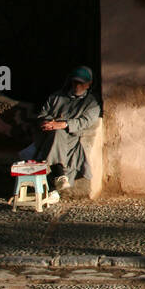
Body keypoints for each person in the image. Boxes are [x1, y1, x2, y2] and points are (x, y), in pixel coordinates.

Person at [32, 66, 101, 198]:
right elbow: (43, 114)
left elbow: (84, 121)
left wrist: (62, 124)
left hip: (72, 140)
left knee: (59, 133)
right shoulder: (56, 97)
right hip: (48, 138)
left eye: (81, 83)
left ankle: (57, 176)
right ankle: (60, 176)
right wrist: (47, 123)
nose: (77, 86)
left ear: (88, 84)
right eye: (75, 82)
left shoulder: (91, 103)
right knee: (56, 135)